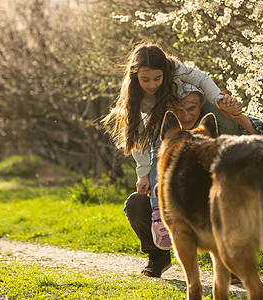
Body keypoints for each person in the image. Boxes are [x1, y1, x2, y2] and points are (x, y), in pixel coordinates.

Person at [102, 42, 244, 277]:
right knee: (136, 203)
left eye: (156, 79)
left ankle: (230, 264)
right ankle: (158, 255)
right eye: (145, 79)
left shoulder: (178, 73)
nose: (151, 85)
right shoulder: (144, 107)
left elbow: (202, 79)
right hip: (168, 173)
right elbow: (137, 139)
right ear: (135, 75)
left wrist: (218, 98)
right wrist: (143, 174)